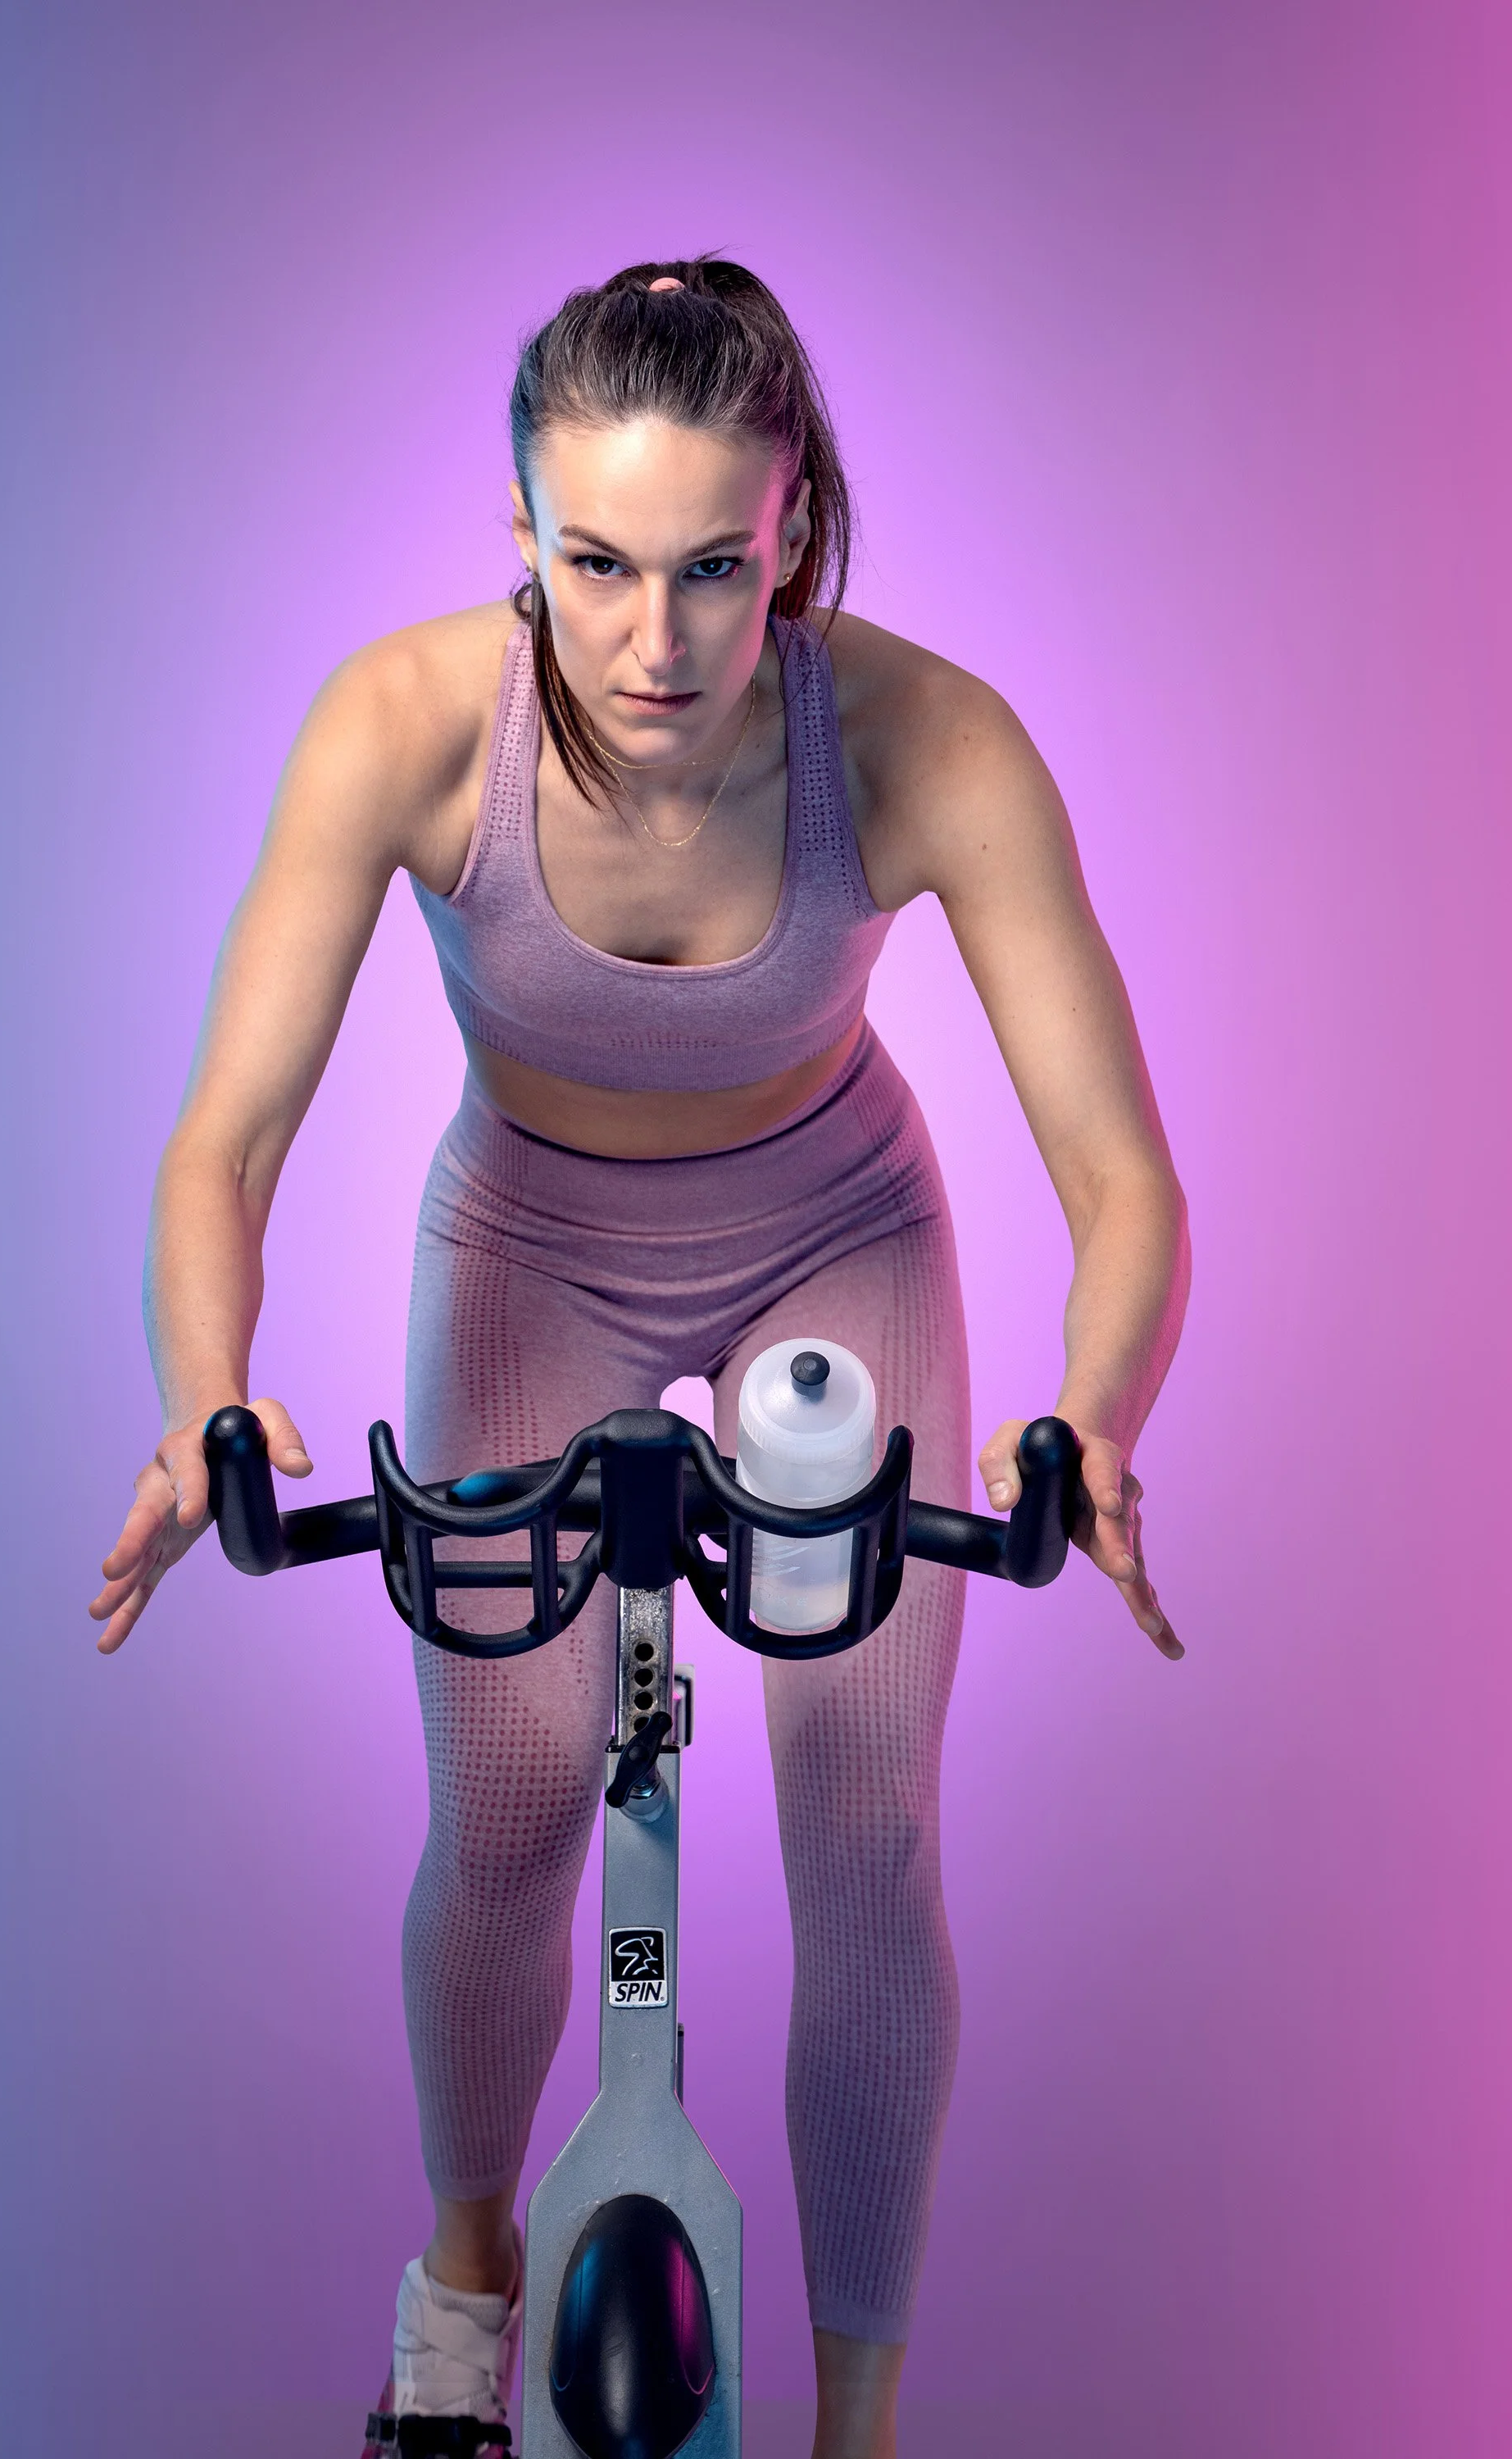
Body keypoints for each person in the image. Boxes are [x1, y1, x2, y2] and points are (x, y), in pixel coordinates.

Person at [89, 259, 1188, 2459]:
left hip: (835, 1245)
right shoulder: (403, 728)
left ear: (792, 524)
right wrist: (209, 1395)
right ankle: (469, 2268)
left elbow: (1119, 1172)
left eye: (710, 567)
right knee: (504, 1813)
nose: (654, 642)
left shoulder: (924, 740)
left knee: (865, 1828)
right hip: (533, 1253)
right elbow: (228, 1136)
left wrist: (1094, 1413)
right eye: (595, 565)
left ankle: (857, 2427)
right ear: (521, 530)